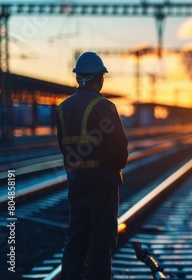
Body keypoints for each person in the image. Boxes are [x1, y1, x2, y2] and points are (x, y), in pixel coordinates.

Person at [56, 52, 128, 279]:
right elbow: (119, 155)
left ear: (79, 77)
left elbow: (63, 147)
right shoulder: (105, 107)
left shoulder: (62, 108)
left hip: (76, 184)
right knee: (100, 243)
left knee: (75, 239)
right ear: (99, 78)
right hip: (102, 187)